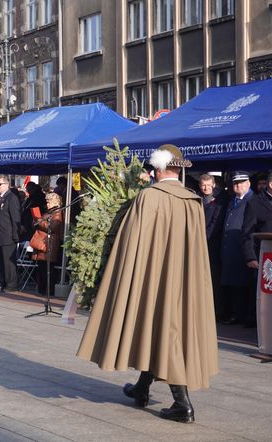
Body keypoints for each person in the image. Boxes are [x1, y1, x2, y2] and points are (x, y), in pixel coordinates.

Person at [77, 144, 218, 424]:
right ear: (178, 169)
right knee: (162, 330)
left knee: (165, 331)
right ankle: (142, 389)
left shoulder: (148, 198)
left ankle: (183, 404)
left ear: (157, 168)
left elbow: (130, 243)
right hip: (183, 280)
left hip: (152, 277)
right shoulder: (192, 201)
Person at [241, 170, 272, 327]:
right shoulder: (255, 203)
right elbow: (247, 232)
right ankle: (262, 326)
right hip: (264, 258)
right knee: (264, 294)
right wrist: (250, 257)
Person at [219, 171, 254, 325]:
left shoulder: (253, 200)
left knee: (243, 285)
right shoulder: (233, 200)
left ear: (248, 183)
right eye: (235, 183)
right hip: (230, 248)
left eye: (241, 182)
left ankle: (242, 316)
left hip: (243, 249)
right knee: (232, 284)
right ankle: (234, 314)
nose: (238, 186)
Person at [198, 174, 226, 321]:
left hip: (211, 245)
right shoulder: (197, 199)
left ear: (214, 185)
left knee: (214, 280)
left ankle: (217, 312)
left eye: (209, 185)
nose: (206, 188)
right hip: (198, 244)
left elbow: (215, 225)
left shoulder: (219, 202)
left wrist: (200, 239)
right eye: (203, 185)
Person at [31, 192, 64, 296]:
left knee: (48, 268)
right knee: (41, 267)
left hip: (49, 244)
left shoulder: (57, 213)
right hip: (42, 243)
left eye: (49, 202)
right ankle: (42, 288)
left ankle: (48, 290)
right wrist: (36, 220)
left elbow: (52, 227)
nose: (47, 204)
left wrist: (39, 220)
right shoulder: (49, 212)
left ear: (55, 202)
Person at [0, 175, 21, 292]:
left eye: (0, 184)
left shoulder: (11, 197)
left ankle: (11, 285)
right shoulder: (0, 198)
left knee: (8, 262)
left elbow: (15, 218)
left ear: (7, 185)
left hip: (8, 235)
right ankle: (2, 282)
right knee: (0, 261)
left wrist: (15, 235)